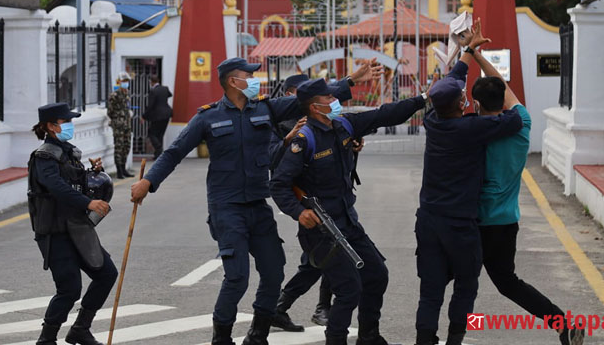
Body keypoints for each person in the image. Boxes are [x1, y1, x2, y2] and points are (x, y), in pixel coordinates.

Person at [131, 58, 381, 345]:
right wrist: (148, 182)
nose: (254, 79)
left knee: (274, 272)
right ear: (231, 81)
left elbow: (308, 99)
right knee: (237, 277)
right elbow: (174, 152)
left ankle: (257, 335)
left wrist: (350, 80)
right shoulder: (207, 118)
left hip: (258, 205)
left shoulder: (266, 108)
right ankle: (221, 337)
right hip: (226, 207)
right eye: (248, 75)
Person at [271, 78, 426, 345]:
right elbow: (279, 184)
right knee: (348, 289)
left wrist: (423, 99)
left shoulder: (344, 125)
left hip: (347, 223)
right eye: (329, 99)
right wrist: (298, 212)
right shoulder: (304, 139)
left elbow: (383, 115)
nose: (335, 102)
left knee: (376, 275)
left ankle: (368, 336)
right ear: (316, 107)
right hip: (320, 231)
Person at [414, 21, 524, 345]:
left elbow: (452, 82)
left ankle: (424, 339)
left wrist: (467, 52)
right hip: (460, 225)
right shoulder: (472, 128)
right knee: (466, 284)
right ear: (463, 104)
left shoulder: (434, 121)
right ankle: (455, 339)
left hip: (428, 220)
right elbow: (515, 117)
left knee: (431, 288)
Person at [471, 44, 585, 345]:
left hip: (477, 222)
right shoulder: (522, 125)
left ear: (477, 104)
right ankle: (563, 323)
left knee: (452, 279)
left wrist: (467, 53)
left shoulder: (476, 132)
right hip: (506, 222)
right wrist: (479, 53)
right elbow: (504, 88)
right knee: (508, 282)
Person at [28, 103, 117, 345]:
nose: (69, 125)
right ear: (50, 126)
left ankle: (80, 328)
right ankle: (47, 338)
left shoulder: (68, 152)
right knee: (69, 288)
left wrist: (92, 172)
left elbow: (76, 184)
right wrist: (88, 204)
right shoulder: (44, 157)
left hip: (77, 227)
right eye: (65, 121)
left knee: (107, 273)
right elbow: (56, 187)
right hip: (55, 231)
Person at [268, 74, 331, 332]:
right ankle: (319, 308)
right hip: (306, 199)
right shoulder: (281, 122)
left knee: (324, 256)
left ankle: (282, 307)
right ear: (293, 93)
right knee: (322, 257)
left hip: (331, 195)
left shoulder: (320, 117)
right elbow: (274, 163)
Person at [107, 72, 135, 179]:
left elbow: (127, 108)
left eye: (127, 81)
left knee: (126, 146)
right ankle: (119, 170)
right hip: (118, 125)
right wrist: (117, 119)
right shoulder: (114, 95)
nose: (126, 83)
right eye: (124, 81)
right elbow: (110, 111)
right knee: (119, 147)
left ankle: (124, 169)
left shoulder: (127, 93)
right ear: (119, 82)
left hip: (127, 124)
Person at [142, 74, 172, 160]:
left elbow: (150, 106)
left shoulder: (153, 91)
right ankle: (158, 155)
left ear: (151, 82)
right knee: (160, 134)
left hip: (157, 116)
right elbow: (170, 95)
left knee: (151, 133)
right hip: (167, 114)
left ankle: (159, 149)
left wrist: (144, 116)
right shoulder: (165, 88)